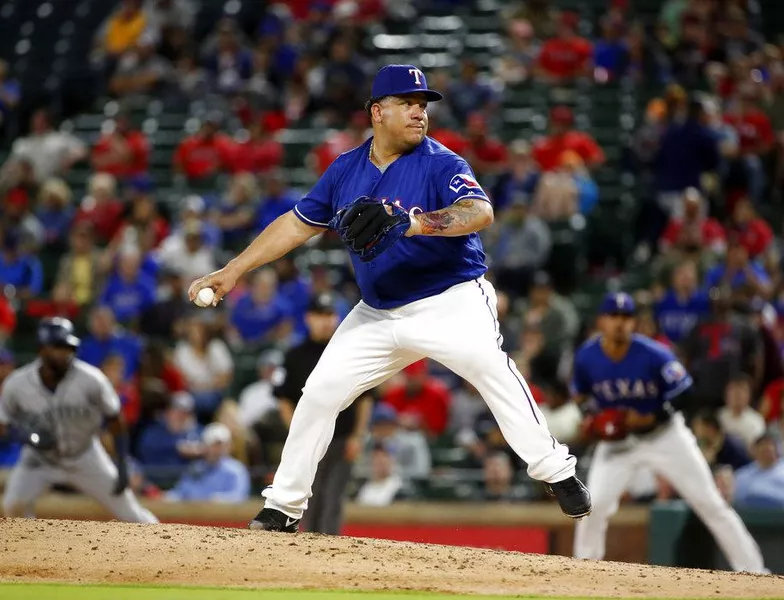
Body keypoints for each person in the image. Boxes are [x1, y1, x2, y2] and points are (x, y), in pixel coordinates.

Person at [190, 64, 589, 532]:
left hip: (450, 300)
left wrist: (415, 222)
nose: (420, 113)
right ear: (377, 112)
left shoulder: (442, 162)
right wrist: (233, 270)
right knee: (319, 393)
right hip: (377, 312)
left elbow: (480, 211)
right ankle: (282, 506)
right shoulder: (344, 171)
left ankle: (555, 471)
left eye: (424, 106)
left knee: (488, 365)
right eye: (408, 104)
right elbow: (297, 224)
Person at [571, 293, 765, 573]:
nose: (620, 323)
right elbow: (580, 396)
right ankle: (583, 573)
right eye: (614, 316)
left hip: (665, 437)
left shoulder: (654, 354)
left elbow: (686, 393)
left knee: (710, 503)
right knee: (593, 506)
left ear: (634, 322)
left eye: (626, 317)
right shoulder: (587, 356)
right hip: (620, 443)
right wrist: (593, 418)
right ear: (602, 320)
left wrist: (653, 415)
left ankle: (755, 571)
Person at [0, 318, 157, 523]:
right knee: (13, 505)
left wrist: (121, 464)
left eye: (68, 347)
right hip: (38, 459)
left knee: (131, 513)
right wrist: (26, 435)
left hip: (85, 455)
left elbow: (115, 419)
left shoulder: (91, 379)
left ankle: (166, 546)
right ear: (42, 349)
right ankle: (28, 549)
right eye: (58, 347)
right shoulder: (17, 384)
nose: (65, 353)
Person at [274, 292, 373, 535]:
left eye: (330, 315)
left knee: (333, 495)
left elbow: (366, 399)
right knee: (310, 495)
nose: (326, 321)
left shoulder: (350, 350)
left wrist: (358, 436)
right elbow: (284, 400)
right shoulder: (294, 355)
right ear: (308, 318)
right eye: (320, 315)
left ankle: (328, 546)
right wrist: (298, 434)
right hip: (312, 439)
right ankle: (310, 545)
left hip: (342, 438)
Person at [165, 423, 250, 503]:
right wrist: (165, 496)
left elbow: (240, 496)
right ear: (205, 445)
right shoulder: (195, 468)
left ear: (228, 446)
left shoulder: (237, 470)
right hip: (195, 516)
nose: (217, 449)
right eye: (213, 445)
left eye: (221, 445)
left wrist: (217, 500)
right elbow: (180, 492)